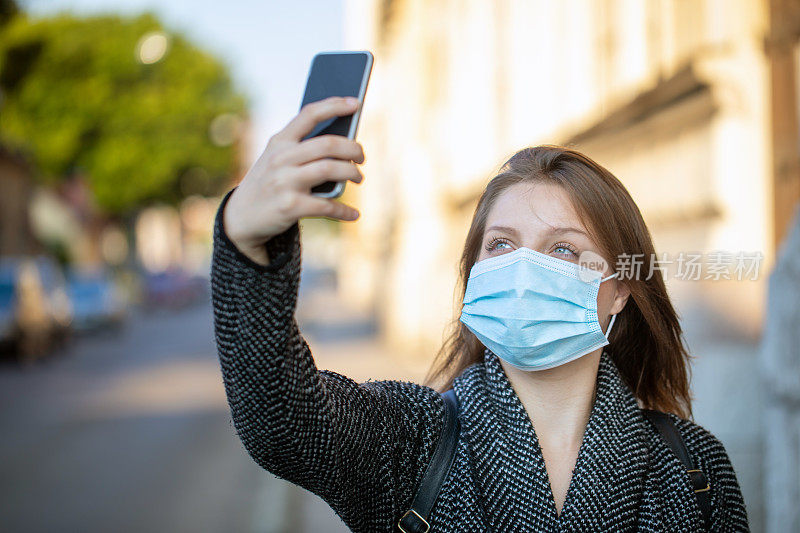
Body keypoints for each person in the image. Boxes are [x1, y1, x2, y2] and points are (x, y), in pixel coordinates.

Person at [211, 96, 749, 531]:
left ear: (621, 290)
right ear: (475, 274)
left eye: (562, 249)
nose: (523, 270)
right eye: (501, 245)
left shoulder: (695, 468)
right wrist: (247, 240)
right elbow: (279, 417)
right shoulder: (410, 441)